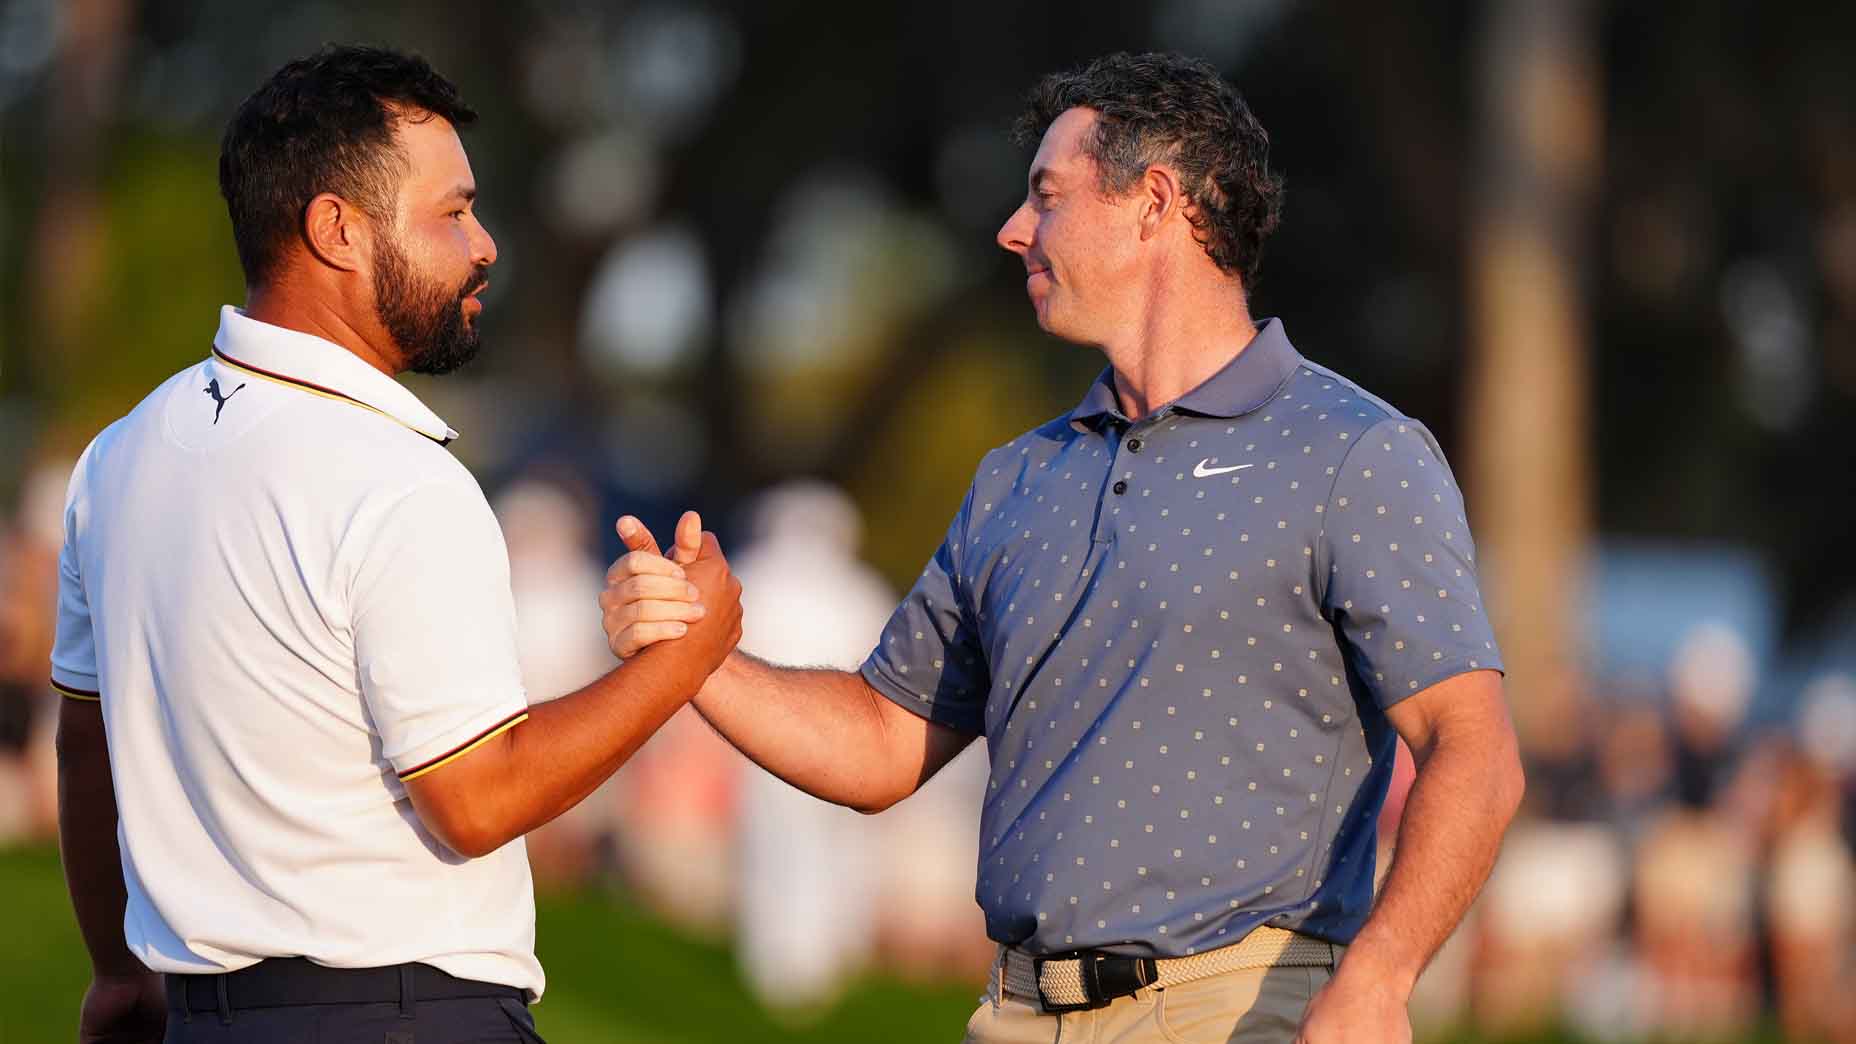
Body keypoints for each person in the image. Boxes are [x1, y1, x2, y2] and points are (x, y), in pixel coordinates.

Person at [602, 52, 1522, 1043]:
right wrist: (694, 655)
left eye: (1045, 196)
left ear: (1154, 203)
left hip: (1241, 1012)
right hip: (1012, 1012)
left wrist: (1380, 977)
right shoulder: (1015, 480)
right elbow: (879, 741)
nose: (1011, 228)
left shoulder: (1350, 451)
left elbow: (1472, 750)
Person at [52, 45, 740, 1043]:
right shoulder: (396, 477)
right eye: (451, 213)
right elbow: (477, 795)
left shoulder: (116, 459)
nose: (485, 244)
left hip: (203, 1021)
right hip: (399, 1011)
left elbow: (87, 742)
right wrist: (687, 656)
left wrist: (117, 972)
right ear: (335, 228)